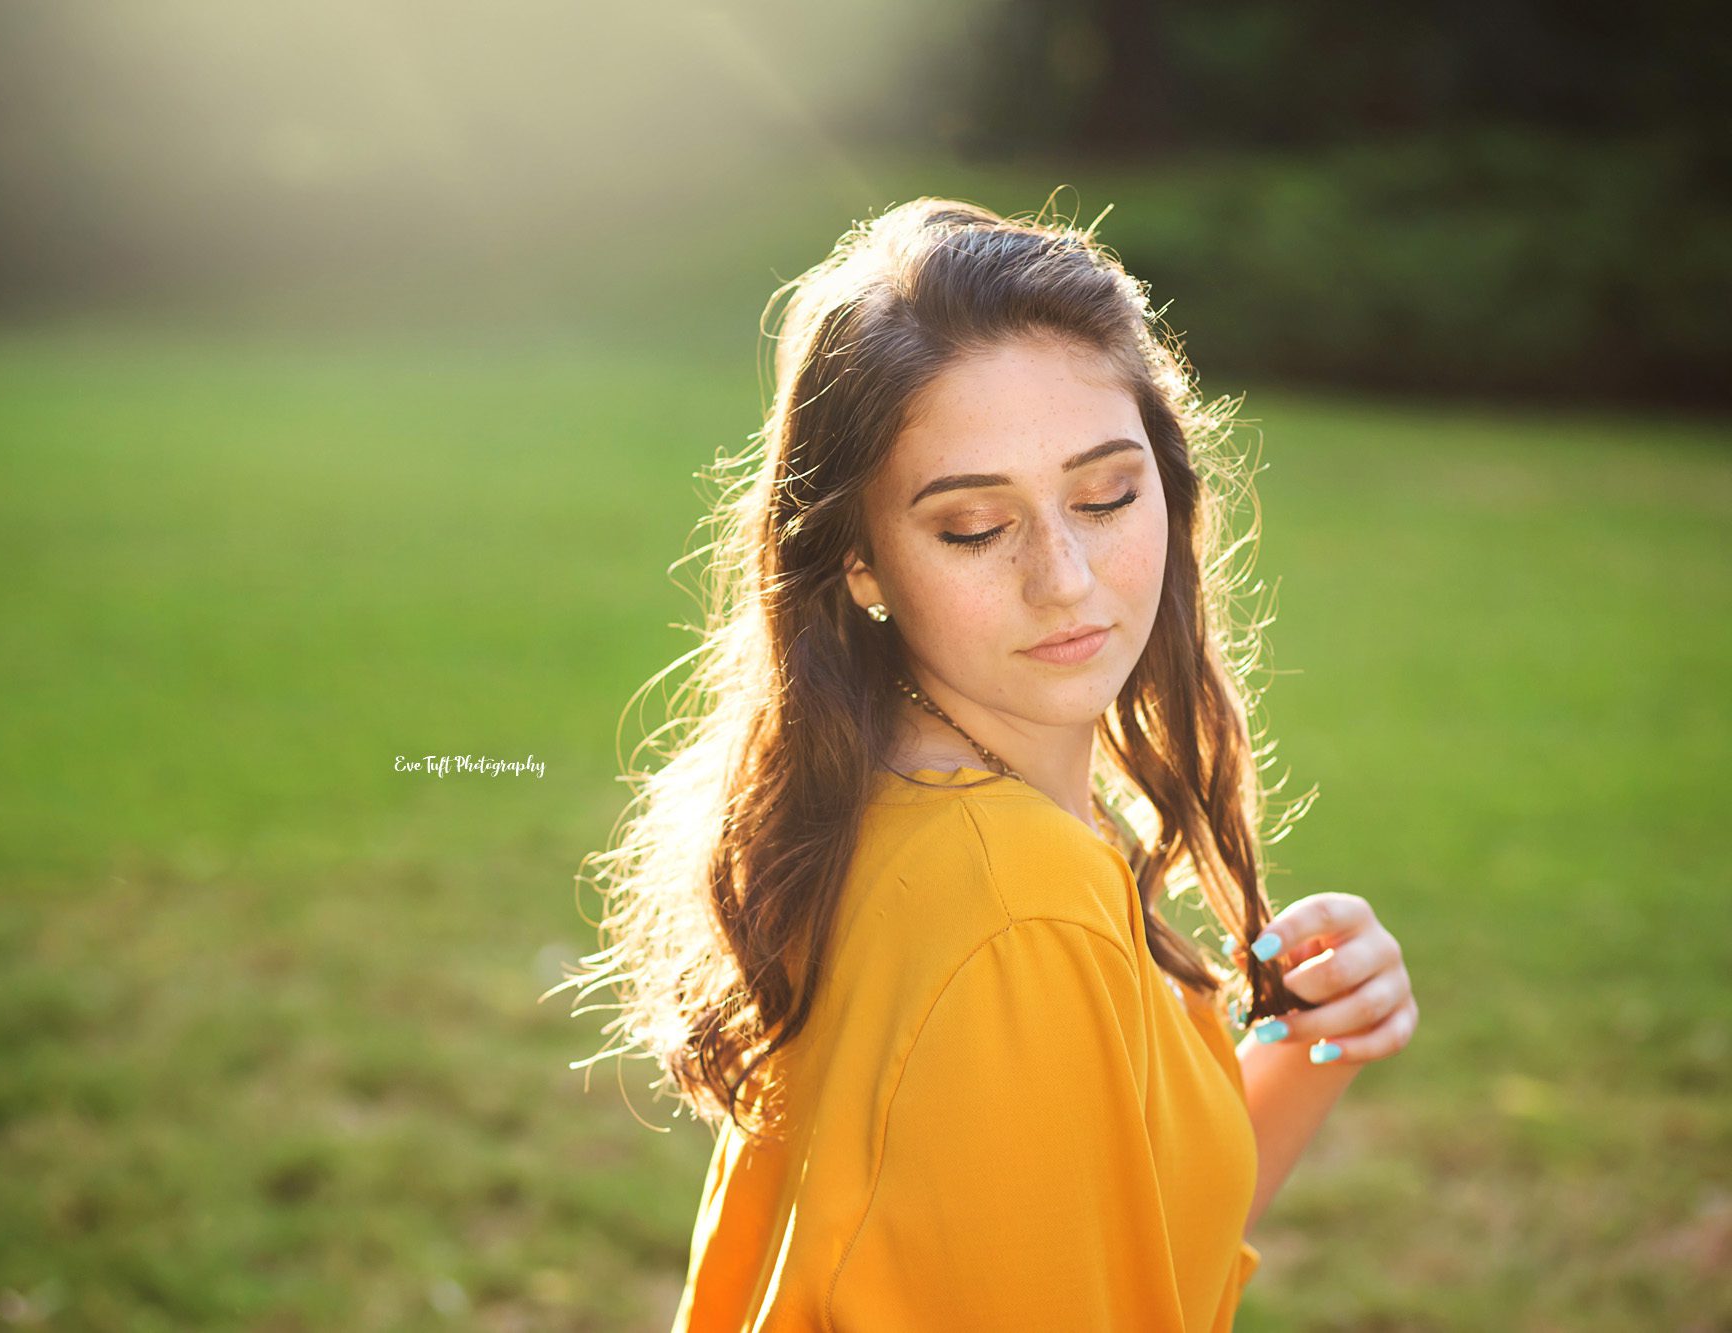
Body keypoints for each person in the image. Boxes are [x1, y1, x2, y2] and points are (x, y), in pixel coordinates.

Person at [553, 196, 1418, 1330]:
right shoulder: (1011, 901)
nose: (1062, 576)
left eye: (1104, 495)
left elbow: (1121, 1234)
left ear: (1167, 480)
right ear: (858, 561)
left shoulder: (905, 801)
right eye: (973, 526)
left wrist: (1307, 1042)